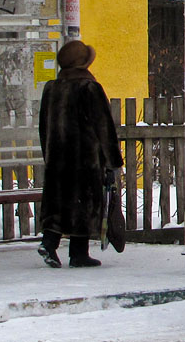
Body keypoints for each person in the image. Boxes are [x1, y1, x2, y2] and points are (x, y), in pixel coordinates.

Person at [37, 40, 124, 268]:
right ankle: (78, 253)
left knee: (58, 204)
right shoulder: (89, 88)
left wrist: (49, 154)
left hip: (57, 159)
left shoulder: (51, 88)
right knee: (83, 204)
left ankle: (49, 243)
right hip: (85, 160)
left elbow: (43, 126)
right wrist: (112, 161)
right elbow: (104, 127)